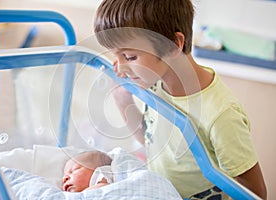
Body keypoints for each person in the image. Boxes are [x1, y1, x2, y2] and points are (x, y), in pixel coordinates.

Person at [93, 0, 267, 199]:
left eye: (130, 57)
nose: (120, 67)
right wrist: (123, 101)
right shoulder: (156, 83)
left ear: (174, 44)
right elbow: (152, 142)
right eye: (115, 56)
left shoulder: (220, 115)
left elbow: (255, 193)